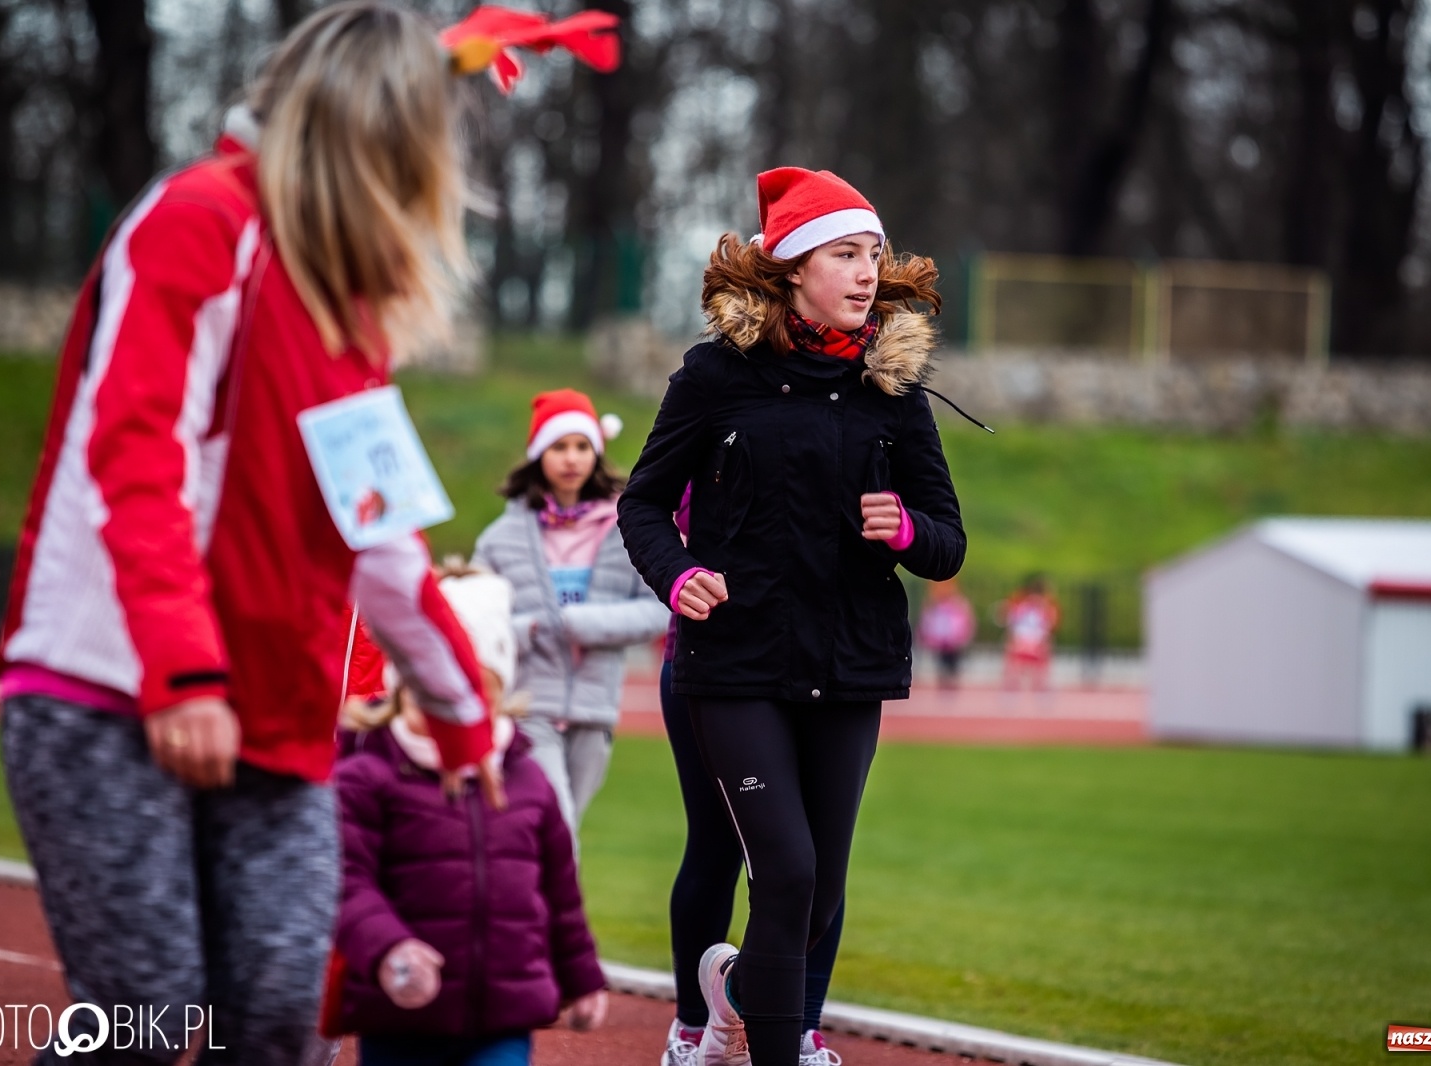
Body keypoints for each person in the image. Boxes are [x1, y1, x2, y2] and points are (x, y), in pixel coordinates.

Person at [0, 7, 509, 1063]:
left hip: (273, 715)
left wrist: (461, 710)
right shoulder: (200, 219)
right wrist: (183, 673)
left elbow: (380, 539)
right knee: (142, 1018)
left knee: (278, 1018)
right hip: (113, 689)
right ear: (376, 133)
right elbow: (135, 454)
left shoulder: (349, 309)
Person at [619, 167, 966, 1066]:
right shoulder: (715, 376)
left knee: (817, 894)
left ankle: (740, 995)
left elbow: (948, 543)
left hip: (850, 664)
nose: (867, 271)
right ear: (794, 267)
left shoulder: (896, 390)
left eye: (873, 253)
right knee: (786, 870)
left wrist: (906, 529)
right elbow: (643, 504)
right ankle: (760, 1039)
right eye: (845, 253)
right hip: (736, 662)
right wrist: (678, 573)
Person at [328, 572, 609, 1066]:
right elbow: (348, 880)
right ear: (402, 683)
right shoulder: (368, 777)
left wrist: (582, 977)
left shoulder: (525, 780)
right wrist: (386, 947)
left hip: (501, 1018)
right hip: (399, 1014)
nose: (453, 714)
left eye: (472, 693)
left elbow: (560, 893)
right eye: (434, 691)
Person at [656, 487, 848, 1066]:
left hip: (821, 665)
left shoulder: (853, 437)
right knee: (715, 846)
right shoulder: (712, 438)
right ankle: (694, 1024)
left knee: (814, 860)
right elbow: (651, 513)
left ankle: (796, 1024)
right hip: (714, 667)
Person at [473, 388, 671, 833]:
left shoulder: (626, 530)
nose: (571, 458)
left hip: (596, 708)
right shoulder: (499, 539)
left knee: (565, 830)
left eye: (582, 446)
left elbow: (660, 609)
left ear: (596, 453)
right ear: (538, 455)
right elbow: (477, 620)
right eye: (559, 446)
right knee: (556, 821)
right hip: (528, 705)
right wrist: (528, 629)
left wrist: (583, 624)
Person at [1001, 574, 1060, 695]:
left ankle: (1040, 687)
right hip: (1022, 640)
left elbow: (1050, 625)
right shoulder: (1021, 605)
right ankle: (1012, 687)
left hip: (1036, 641)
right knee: (1016, 666)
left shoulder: (1045, 607)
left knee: (1039, 668)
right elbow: (1011, 622)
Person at [918, 579, 976, 690]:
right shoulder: (933, 604)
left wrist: (963, 636)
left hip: (954, 642)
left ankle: (951, 686)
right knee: (942, 669)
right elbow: (926, 621)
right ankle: (944, 686)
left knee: (953, 668)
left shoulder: (959, 603)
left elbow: (967, 621)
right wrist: (928, 637)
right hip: (939, 641)